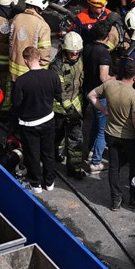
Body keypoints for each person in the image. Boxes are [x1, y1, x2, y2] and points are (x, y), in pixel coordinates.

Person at [88, 59, 135, 211]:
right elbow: (134, 120)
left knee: (114, 167)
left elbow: (91, 95)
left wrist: (104, 110)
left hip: (110, 133)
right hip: (129, 137)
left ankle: (115, 199)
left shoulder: (109, 85)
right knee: (134, 167)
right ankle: (134, 196)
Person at [10, 46, 62, 193]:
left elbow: (16, 104)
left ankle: (35, 184)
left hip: (29, 125)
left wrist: (12, 126)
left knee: (32, 154)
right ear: (39, 58)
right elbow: (59, 95)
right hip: (48, 120)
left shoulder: (21, 82)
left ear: (25, 60)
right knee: (48, 152)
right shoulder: (52, 76)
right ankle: (49, 182)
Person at [50, 32, 86, 179]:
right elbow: (60, 92)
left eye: (77, 52)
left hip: (75, 107)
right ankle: (55, 155)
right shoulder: (56, 66)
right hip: (59, 109)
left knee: (76, 139)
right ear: (65, 50)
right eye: (72, 52)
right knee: (57, 136)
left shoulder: (80, 59)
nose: (75, 55)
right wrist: (70, 110)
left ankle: (74, 168)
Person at [82, 20, 113, 173]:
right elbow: (103, 77)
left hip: (87, 89)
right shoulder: (104, 53)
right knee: (102, 128)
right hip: (99, 95)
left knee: (96, 123)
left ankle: (90, 150)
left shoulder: (87, 47)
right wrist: (117, 79)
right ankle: (96, 162)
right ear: (107, 36)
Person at [9, 0, 52, 82]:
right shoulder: (43, 26)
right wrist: (42, 74)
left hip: (13, 73)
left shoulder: (16, 18)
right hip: (31, 76)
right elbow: (44, 54)